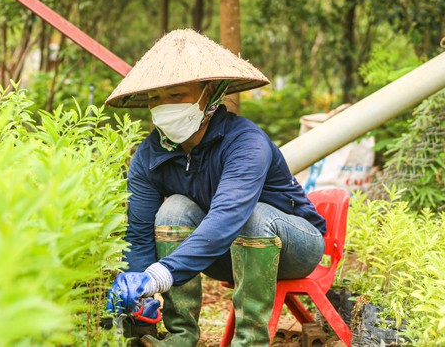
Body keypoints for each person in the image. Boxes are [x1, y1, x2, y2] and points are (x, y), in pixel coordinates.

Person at [105, 29, 326, 346]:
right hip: (226, 254)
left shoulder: (246, 142)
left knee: (254, 216)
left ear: (208, 93)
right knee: (174, 208)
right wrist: (138, 300)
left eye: (176, 95)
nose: (164, 106)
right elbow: (139, 233)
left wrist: (159, 275)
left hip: (295, 246)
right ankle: (180, 336)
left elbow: (227, 217)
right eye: (155, 99)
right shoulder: (149, 155)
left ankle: (249, 342)